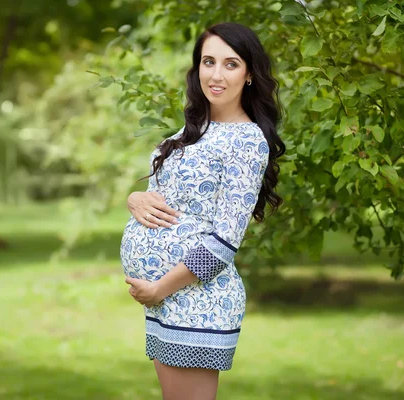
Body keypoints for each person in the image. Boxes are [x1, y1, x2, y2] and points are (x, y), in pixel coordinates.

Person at [120, 22, 285, 400]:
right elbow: (162, 199)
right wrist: (134, 198)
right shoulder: (191, 130)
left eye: (231, 64)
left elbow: (225, 241)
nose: (216, 74)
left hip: (197, 302)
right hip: (170, 301)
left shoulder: (247, 142)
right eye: (208, 61)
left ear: (248, 75)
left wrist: (160, 288)